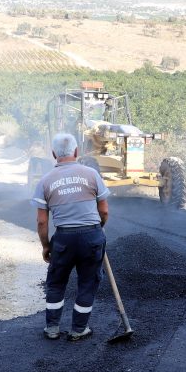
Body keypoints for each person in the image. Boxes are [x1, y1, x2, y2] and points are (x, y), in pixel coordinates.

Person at [31, 133, 110, 341]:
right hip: (91, 236)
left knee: (56, 283)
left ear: (54, 153)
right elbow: (104, 211)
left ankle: (52, 328)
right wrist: (97, 230)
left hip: (64, 239)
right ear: (76, 152)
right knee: (87, 282)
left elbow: (41, 221)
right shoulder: (92, 174)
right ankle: (78, 329)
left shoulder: (45, 181)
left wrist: (46, 246)